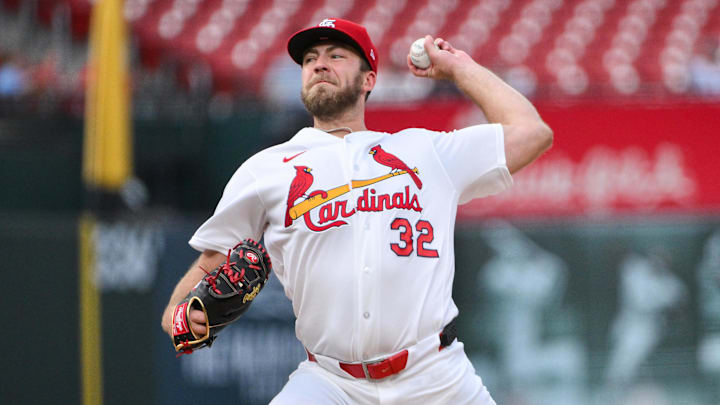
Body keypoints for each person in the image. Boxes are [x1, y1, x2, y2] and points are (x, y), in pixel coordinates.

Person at [162, 18, 553, 404]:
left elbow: (532, 133)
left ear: (369, 79)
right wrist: (178, 316)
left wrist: (459, 68)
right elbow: (208, 264)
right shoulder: (266, 169)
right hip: (331, 383)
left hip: (435, 377)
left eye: (336, 55)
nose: (319, 63)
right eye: (310, 58)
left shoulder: (424, 151)